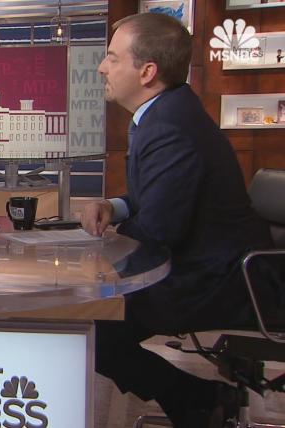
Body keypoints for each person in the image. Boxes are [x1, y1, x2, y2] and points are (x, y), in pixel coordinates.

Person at [81, 13, 282, 428]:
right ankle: (198, 402)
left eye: (112, 58)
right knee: (95, 319)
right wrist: (115, 207)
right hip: (218, 269)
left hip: (222, 281)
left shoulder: (169, 126)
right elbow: (157, 196)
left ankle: (200, 400)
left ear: (147, 72)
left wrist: (96, 254)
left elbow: (158, 231)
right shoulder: (169, 112)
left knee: (90, 327)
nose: (102, 67)